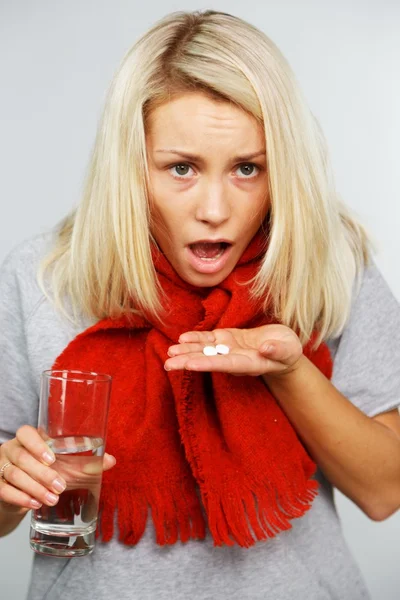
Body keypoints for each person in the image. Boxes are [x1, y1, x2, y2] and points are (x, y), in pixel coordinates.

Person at [0, 9, 399, 600]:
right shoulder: (43, 277)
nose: (214, 208)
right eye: (181, 168)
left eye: (246, 169)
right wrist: (10, 484)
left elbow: (383, 490)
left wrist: (289, 373)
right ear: (130, 169)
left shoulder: (328, 264)